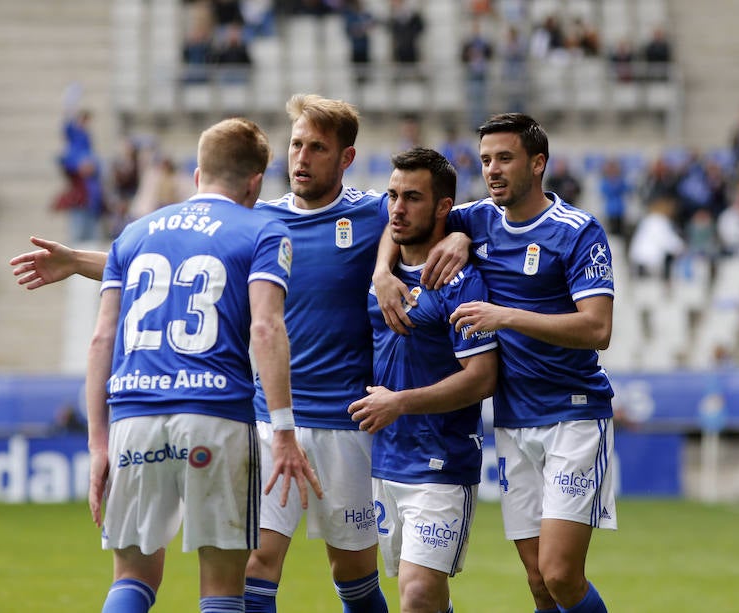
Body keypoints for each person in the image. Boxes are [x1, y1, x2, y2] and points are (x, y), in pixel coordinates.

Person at [10, 94, 392, 613]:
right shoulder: (265, 221)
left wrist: (408, 261)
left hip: (346, 423)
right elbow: (197, 267)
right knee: (252, 568)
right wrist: (78, 260)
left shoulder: (376, 214)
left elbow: (450, 225)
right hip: (263, 419)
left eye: (317, 148)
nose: (300, 158)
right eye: (296, 144)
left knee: (353, 575)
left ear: (345, 158)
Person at [374, 113, 617, 613]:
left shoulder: (576, 231)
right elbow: (400, 220)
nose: (492, 170)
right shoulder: (476, 218)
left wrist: (505, 316)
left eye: (505, 158)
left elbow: (598, 329)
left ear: (538, 163)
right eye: (485, 160)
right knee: (537, 581)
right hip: (513, 418)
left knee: (561, 574)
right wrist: (383, 270)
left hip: (573, 413)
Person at [84, 116, 321, 613]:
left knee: (132, 576)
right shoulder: (263, 230)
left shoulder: (133, 234)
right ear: (256, 182)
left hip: (134, 416)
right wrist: (282, 431)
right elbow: (266, 328)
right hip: (215, 415)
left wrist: (98, 443)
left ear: (198, 174)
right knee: (221, 586)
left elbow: (102, 336)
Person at [348, 148, 498, 613]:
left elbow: (482, 378)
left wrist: (399, 403)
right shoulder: (384, 275)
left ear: (442, 209)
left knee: (415, 593)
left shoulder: (460, 282)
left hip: (441, 461)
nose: (397, 207)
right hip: (385, 459)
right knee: (421, 598)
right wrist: (379, 271)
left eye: (412, 197)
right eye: (393, 195)